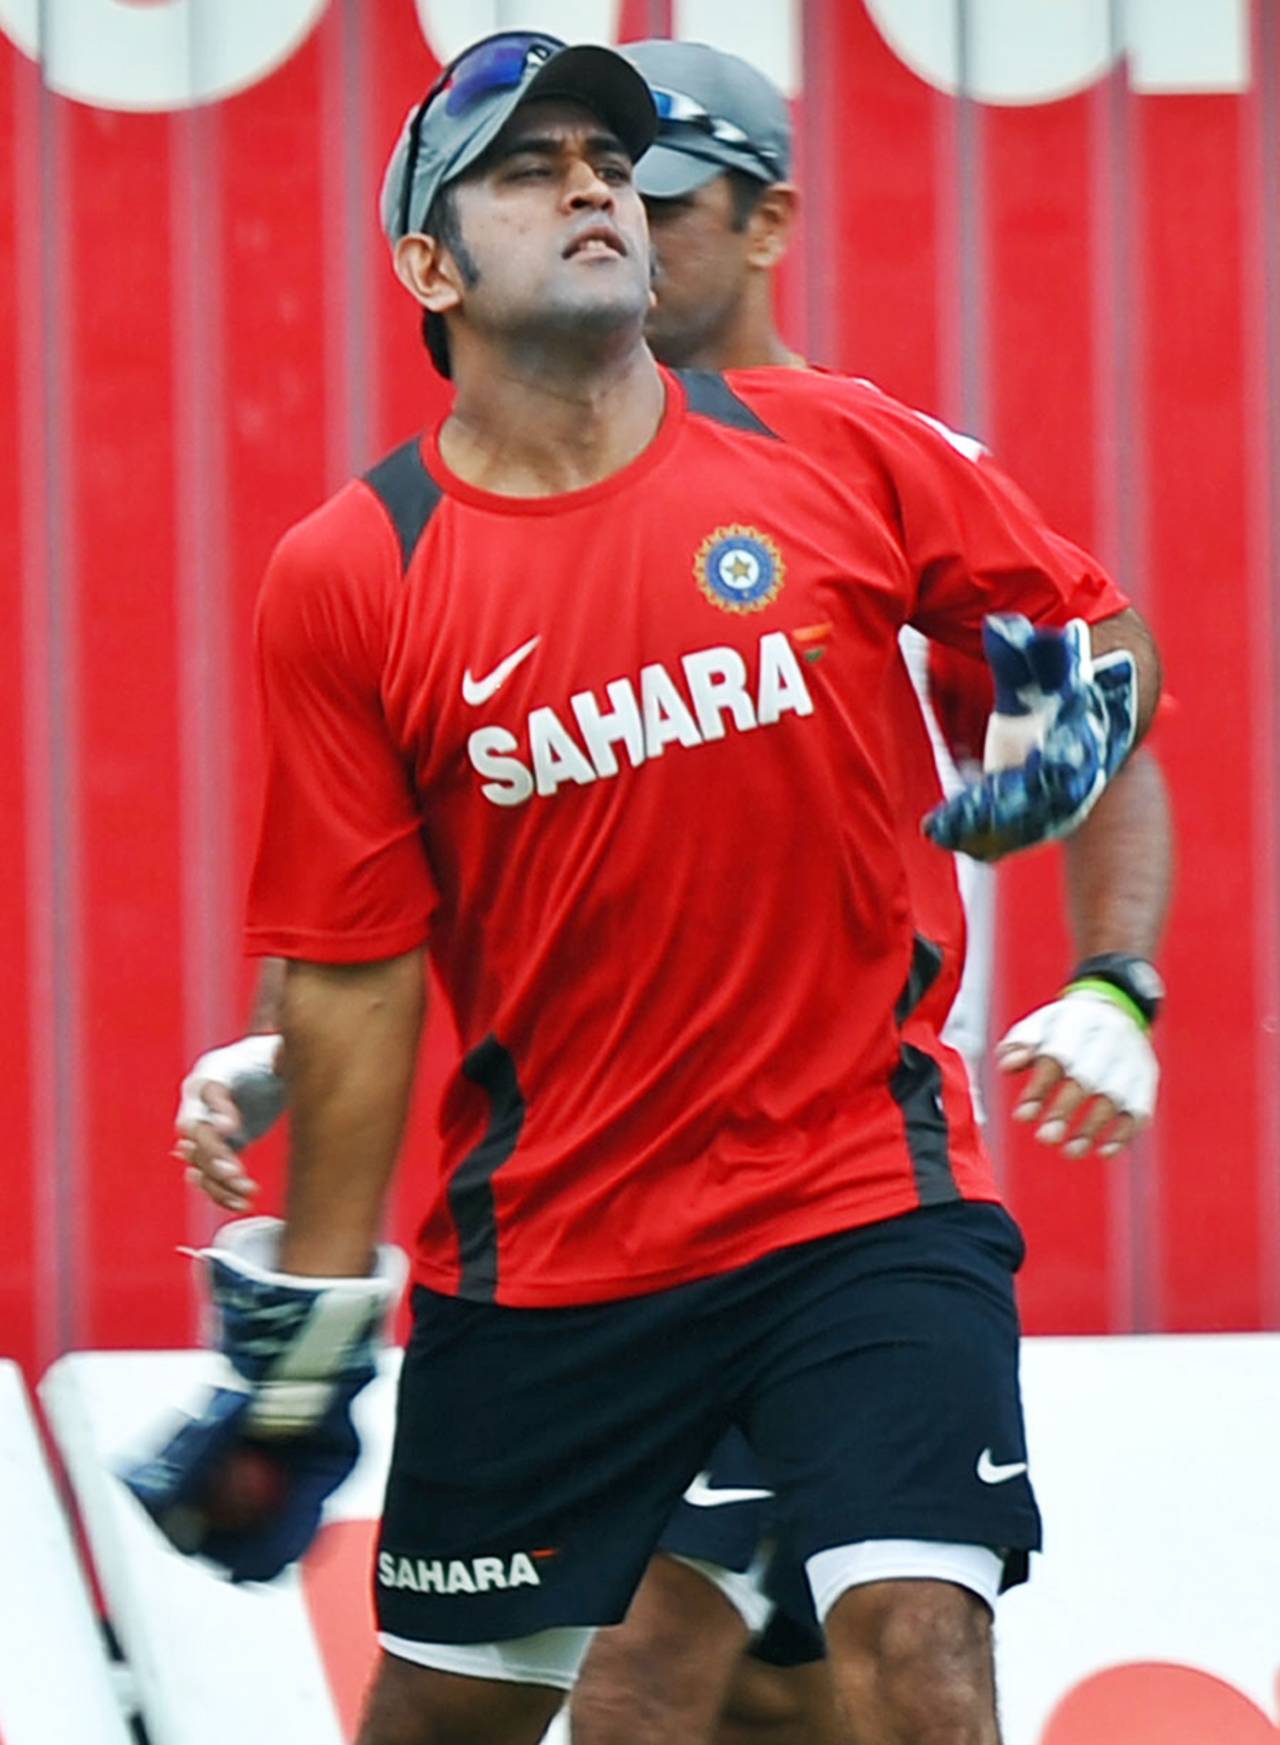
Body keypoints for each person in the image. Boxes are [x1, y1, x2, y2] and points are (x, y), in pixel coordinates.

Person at [158, 29, 1168, 1745]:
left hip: (865, 1193)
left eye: (612, 165)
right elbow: (356, 961)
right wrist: (313, 1329)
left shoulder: (840, 449)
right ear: (427, 264)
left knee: (923, 1649)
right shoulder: (351, 570)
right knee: (488, 1715)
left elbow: (1089, 634)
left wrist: (1076, 784)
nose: (591, 188)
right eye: (526, 167)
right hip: (556, 1249)